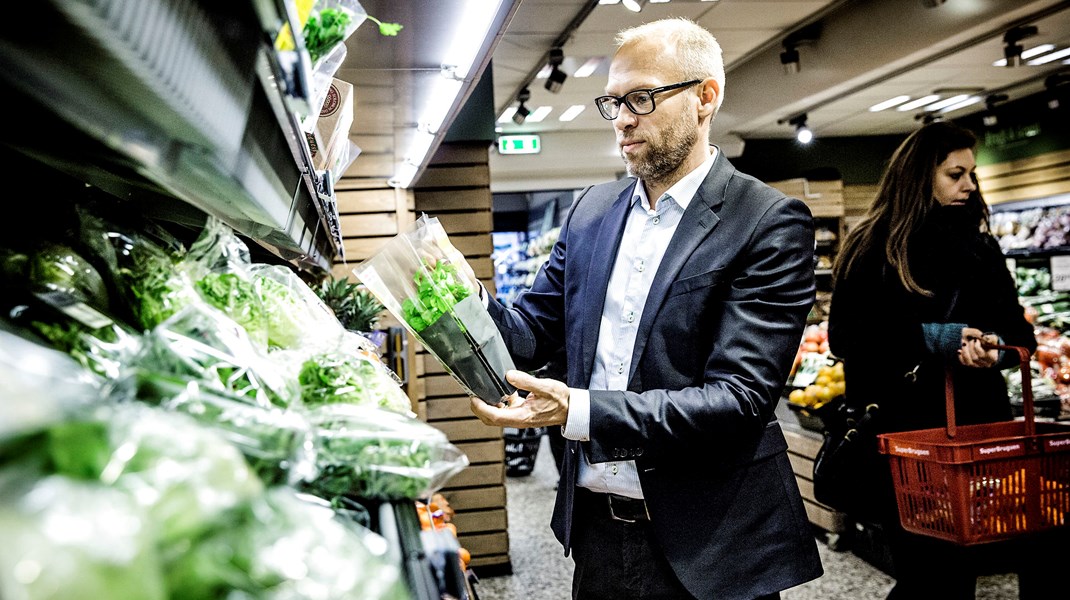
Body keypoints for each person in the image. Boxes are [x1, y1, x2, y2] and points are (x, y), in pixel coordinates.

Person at [470, 17, 823, 600]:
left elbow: (738, 400)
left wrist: (578, 410)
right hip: (599, 534)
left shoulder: (765, 221)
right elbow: (532, 331)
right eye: (613, 103)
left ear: (705, 97)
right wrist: (459, 297)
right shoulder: (591, 211)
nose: (624, 119)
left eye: (641, 97)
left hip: (714, 544)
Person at [827, 120, 1053, 599]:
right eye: (955, 175)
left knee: (961, 571)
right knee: (933, 576)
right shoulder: (873, 249)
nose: (969, 185)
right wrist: (934, 337)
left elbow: (1022, 336)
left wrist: (993, 349)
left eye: (971, 174)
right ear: (918, 176)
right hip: (909, 446)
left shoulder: (981, 248)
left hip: (979, 441)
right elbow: (847, 338)